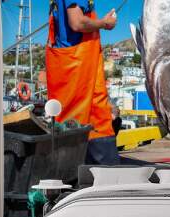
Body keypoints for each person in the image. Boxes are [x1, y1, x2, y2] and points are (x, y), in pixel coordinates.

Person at [46, 0, 120, 165]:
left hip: (84, 69)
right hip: (76, 72)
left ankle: (105, 175)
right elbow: (77, 22)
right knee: (73, 128)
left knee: (97, 121)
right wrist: (104, 23)